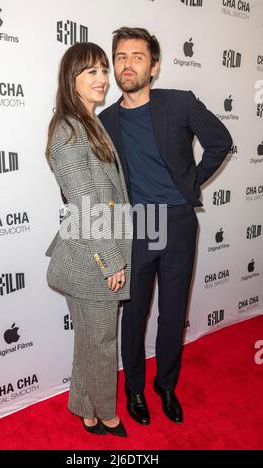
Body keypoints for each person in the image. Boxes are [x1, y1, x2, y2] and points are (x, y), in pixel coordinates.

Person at [99, 27, 232, 426]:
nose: (128, 64)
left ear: (153, 67)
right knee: (134, 313)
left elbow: (220, 141)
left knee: (173, 314)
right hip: (136, 225)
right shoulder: (105, 121)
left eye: (137, 57)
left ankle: (166, 386)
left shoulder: (179, 104)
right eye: (121, 56)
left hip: (177, 223)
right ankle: (135, 389)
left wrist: (191, 183)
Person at [45, 42, 133, 437]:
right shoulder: (68, 128)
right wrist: (112, 260)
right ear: (72, 79)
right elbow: (84, 202)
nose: (103, 78)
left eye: (103, 70)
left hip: (90, 252)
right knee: (100, 341)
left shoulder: (89, 122)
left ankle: (84, 406)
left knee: (88, 337)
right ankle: (106, 412)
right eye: (91, 72)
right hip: (90, 259)